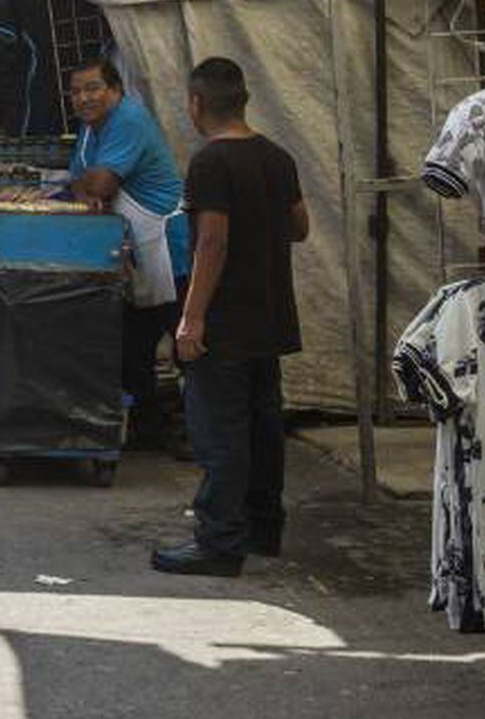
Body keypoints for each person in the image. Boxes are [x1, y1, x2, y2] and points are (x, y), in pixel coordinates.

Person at [152, 58, 307, 578]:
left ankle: (219, 541)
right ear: (244, 100)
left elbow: (212, 240)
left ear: (197, 105)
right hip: (270, 315)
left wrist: (191, 319)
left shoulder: (210, 163)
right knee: (264, 427)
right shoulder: (277, 157)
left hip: (226, 321)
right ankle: (263, 527)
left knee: (220, 432)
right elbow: (300, 226)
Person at [67, 57, 186, 451]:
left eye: (93, 88)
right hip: (134, 250)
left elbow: (98, 185)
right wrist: (88, 186)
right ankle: (147, 426)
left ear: (115, 90)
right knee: (133, 347)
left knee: (186, 344)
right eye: (77, 91)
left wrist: (91, 187)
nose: (84, 98)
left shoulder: (128, 120)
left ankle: (197, 433)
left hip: (169, 246)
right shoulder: (89, 130)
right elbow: (78, 183)